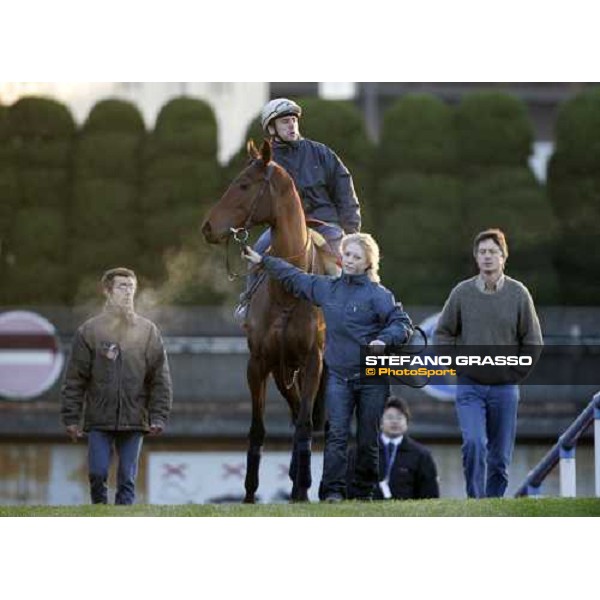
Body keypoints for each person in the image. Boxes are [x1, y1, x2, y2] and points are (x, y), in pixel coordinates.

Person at [242, 233, 413, 502]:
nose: (350, 261)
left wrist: (384, 339)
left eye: (357, 257)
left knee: (368, 439)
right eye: (347, 255)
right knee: (336, 436)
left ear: (368, 263)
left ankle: (363, 492)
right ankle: (332, 491)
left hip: (372, 376)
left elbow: (402, 323)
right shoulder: (327, 288)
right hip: (340, 377)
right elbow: (295, 277)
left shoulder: (379, 295)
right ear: (341, 256)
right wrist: (264, 261)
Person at [434, 229, 543, 498]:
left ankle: (493, 505)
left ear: (503, 257)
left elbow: (533, 340)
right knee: (474, 443)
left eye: (492, 251)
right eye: (482, 252)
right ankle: (475, 501)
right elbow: (442, 333)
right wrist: (456, 365)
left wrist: (514, 372)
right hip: (470, 387)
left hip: (505, 389)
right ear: (476, 257)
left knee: (499, 458)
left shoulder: (519, 294)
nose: (487, 257)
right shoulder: (462, 292)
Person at [235, 97, 362, 322]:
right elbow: (251, 197)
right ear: (271, 128)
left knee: (344, 264)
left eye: (294, 120)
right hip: (283, 228)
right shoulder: (264, 161)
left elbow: (345, 191)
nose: (292, 125)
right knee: (257, 253)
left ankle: (353, 312)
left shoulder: (322, 153)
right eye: (285, 121)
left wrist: (350, 230)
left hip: (325, 225)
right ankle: (248, 303)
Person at [60, 267, 173, 505]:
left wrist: (158, 416)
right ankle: (99, 513)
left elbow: (160, 378)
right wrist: (71, 418)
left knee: (126, 480)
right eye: (122, 286)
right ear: (107, 291)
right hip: (99, 419)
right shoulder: (89, 331)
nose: (127, 292)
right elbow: (75, 379)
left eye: (131, 287)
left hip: (135, 419)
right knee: (97, 473)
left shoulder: (148, 331)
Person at [347, 396, 440, 500]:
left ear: (407, 423)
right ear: (380, 422)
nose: (395, 422)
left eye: (399, 418)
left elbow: (430, 495)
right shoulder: (361, 451)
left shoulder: (421, 455)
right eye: (390, 417)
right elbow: (348, 486)